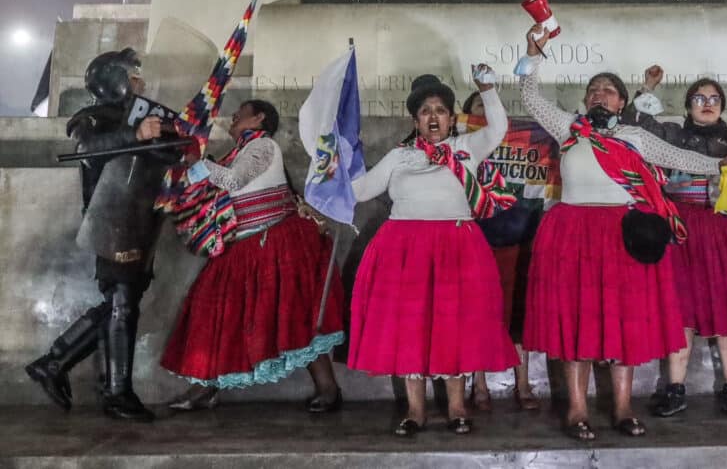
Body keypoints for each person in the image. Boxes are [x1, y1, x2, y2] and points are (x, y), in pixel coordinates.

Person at [517, 28, 727, 441]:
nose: (600, 94)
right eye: (594, 89)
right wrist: (532, 53)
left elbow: (681, 157)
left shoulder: (634, 136)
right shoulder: (569, 129)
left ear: (622, 102)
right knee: (576, 326)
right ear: (585, 100)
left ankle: (623, 408)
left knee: (623, 324)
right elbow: (530, 98)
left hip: (622, 237)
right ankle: (576, 409)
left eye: (609, 90)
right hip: (573, 236)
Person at [346, 68, 519, 436]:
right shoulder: (400, 156)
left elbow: (499, 130)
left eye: (440, 110)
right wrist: (335, 158)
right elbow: (360, 191)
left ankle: (457, 408)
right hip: (404, 251)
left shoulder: (465, 148)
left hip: (456, 248)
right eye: (426, 111)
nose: (433, 116)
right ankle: (415, 410)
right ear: (416, 120)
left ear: (451, 118)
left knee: (454, 326)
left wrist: (487, 90)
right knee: (410, 328)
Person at [160, 100, 345, 412]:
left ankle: (328, 387)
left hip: (275, 242)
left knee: (295, 317)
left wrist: (199, 163)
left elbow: (233, 180)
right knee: (217, 313)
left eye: (241, 112)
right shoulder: (238, 153)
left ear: (259, 118)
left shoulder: (264, 146)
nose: (234, 116)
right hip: (244, 244)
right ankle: (206, 386)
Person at [624, 69, 727, 420]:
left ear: (722, 106)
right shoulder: (670, 136)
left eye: (714, 99)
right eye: (700, 98)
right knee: (680, 309)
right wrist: (647, 89)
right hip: (682, 229)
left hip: (726, 230)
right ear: (688, 106)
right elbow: (634, 125)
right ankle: (675, 389)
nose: (707, 104)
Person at [25, 49, 174, 421]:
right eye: (132, 74)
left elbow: (153, 160)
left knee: (122, 303)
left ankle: (55, 362)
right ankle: (117, 393)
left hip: (140, 219)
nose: (139, 81)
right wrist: (135, 133)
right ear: (114, 80)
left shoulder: (141, 116)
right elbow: (86, 150)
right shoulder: (92, 118)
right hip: (111, 219)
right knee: (121, 302)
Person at [460, 91, 542, 413]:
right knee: (478, 315)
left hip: (516, 242)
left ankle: (522, 384)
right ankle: (478, 385)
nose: (487, 112)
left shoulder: (528, 145)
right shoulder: (461, 149)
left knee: (517, 317)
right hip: (476, 245)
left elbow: (539, 190)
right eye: (479, 106)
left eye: (492, 108)